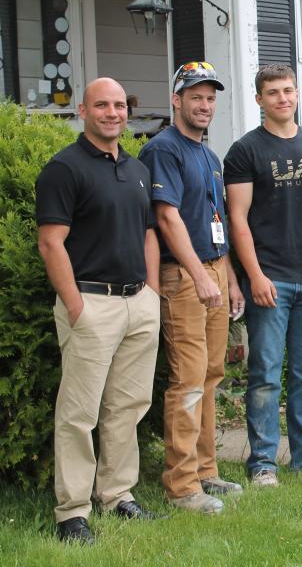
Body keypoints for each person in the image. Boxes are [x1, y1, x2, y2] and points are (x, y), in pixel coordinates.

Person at [36, 77, 162, 544]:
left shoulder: (135, 167)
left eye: (119, 106)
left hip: (137, 304)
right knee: (78, 414)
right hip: (91, 304)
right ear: (83, 112)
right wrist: (74, 306)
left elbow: (149, 230)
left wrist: (149, 292)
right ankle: (71, 512)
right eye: (101, 106)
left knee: (127, 408)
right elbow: (51, 243)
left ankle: (118, 495)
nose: (112, 113)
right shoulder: (63, 169)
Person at [223, 64, 302, 485]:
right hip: (270, 279)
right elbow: (237, 219)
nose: (283, 98)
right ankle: (262, 463)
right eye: (273, 92)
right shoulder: (245, 151)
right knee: (264, 374)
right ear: (259, 99)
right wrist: (254, 276)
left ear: (298, 95)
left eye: (289, 90)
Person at [139, 62, 244, 514]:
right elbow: (167, 217)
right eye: (195, 96)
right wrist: (200, 276)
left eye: (210, 97)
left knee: (211, 374)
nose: (205, 105)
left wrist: (229, 277)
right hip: (183, 276)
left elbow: (214, 221)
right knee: (187, 380)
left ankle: (206, 470)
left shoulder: (209, 154)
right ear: (176, 100)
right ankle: (181, 486)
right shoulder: (163, 149)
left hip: (215, 270)